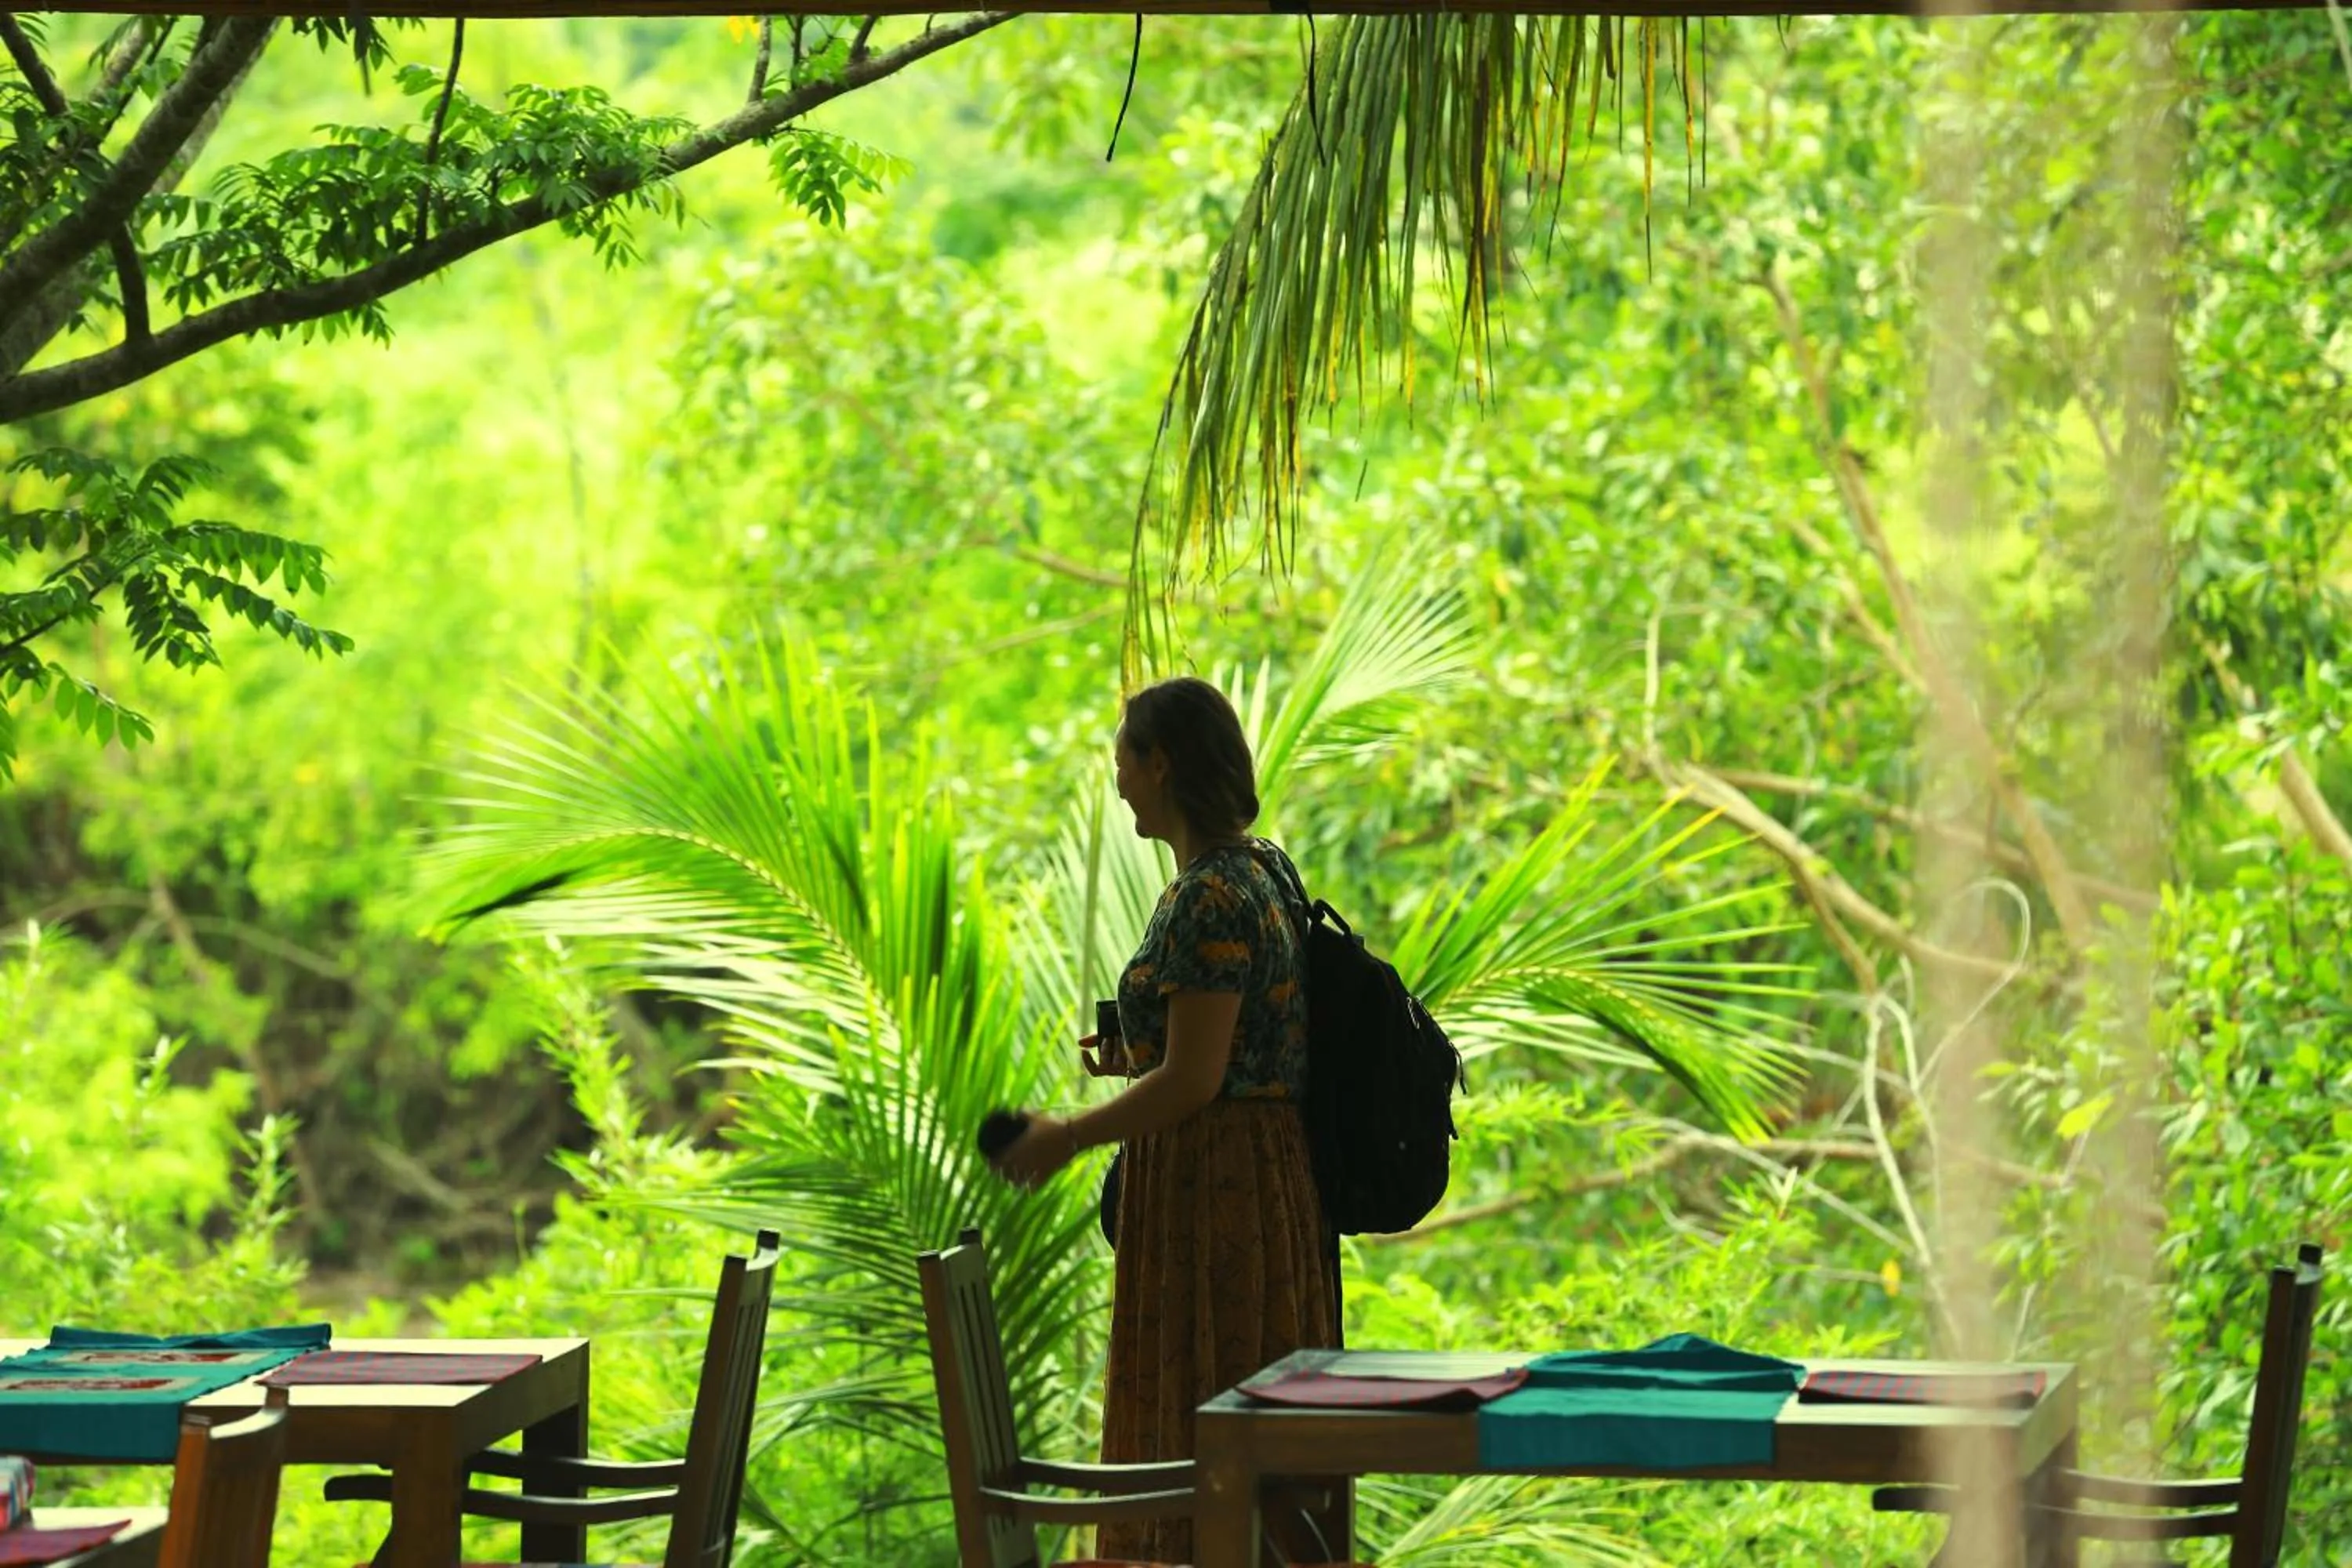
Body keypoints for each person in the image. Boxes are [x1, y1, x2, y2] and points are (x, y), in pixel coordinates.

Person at [991, 675, 1338, 1564]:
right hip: (1265, 1187)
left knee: (1203, 1413)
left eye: (1123, 763)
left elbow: (1195, 1080)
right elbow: (1229, 1051)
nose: (1117, 782)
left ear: (1161, 763)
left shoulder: (1208, 897)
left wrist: (1067, 1134)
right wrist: (1140, 1057)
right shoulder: (1266, 871)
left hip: (1214, 1198)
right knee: (1244, 1430)